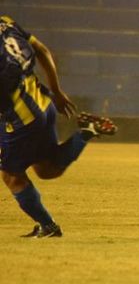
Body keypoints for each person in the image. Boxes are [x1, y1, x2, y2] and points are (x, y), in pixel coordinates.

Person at [0, 15, 117, 238]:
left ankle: (49, 227)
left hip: (22, 120)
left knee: (11, 176)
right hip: (44, 104)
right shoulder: (5, 22)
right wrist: (56, 91)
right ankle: (86, 132)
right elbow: (42, 50)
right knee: (46, 169)